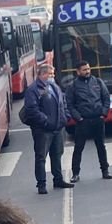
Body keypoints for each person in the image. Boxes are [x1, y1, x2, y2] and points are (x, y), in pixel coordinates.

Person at [21, 63, 73, 193]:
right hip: (43, 130)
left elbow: (63, 102)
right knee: (41, 157)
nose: (53, 76)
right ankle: (41, 184)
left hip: (58, 128)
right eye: (51, 74)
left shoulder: (54, 86)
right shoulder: (33, 90)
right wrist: (45, 122)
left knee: (57, 155)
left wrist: (64, 117)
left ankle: (58, 179)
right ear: (43, 74)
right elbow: (32, 110)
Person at [66, 62, 112, 181]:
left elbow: (106, 98)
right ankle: (75, 173)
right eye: (84, 70)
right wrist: (78, 118)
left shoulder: (98, 82)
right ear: (78, 72)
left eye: (88, 69)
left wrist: (103, 113)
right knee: (78, 148)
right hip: (83, 121)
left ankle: (105, 171)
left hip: (98, 119)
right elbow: (70, 105)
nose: (87, 71)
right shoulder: (73, 86)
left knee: (101, 146)